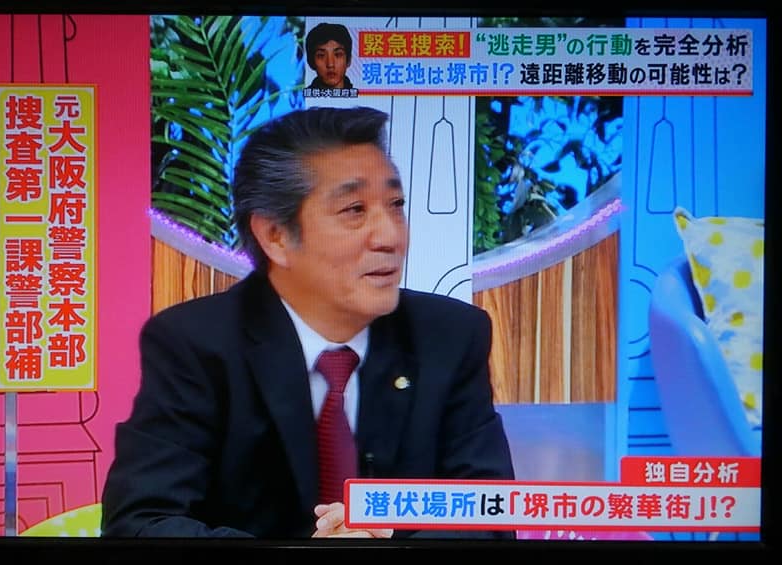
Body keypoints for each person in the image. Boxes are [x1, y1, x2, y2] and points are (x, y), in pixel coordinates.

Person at [101, 106, 515, 539]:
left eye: (395, 205)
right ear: (275, 236)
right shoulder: (196, 345)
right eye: (354, 210)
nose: (390, 236)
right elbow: (141, 522)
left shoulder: (449, 336)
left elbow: (491, 516)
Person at [305, 23, 354, 90]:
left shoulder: (360, 95)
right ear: (310, 62)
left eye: (338, 54)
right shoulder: (301, 96)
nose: (330, 64)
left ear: (348, 60)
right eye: (321, 55)